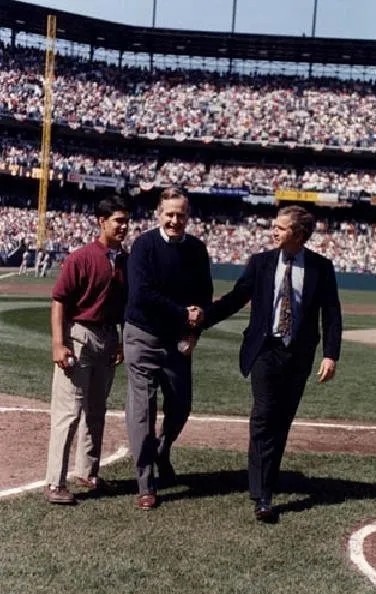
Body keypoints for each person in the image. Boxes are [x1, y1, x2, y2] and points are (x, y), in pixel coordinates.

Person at [192, 205, 342, 522]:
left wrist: (330, 354)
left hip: (298, 355)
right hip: (264, 350)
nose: (273, 231)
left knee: (281, 421)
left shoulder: (320, 267)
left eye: (280, 227)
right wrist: (204, 318)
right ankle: (263, 495)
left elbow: (331, 313)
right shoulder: (261, 263)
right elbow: (236, 298)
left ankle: (266, 480)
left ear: (299, 234)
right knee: (263, 416)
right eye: (273, 226)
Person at [124, 187, 213, 511]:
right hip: (143, 337)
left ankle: (163, 450)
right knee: (142, 412)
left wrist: (195, 332)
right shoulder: (144, 245)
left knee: (181, 406)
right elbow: (141, 294)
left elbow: (204, 297)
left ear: (188, 216)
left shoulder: (196, 250)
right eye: (170, 214)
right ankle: (146, 483)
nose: (175, 220)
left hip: (178, 342)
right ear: (159, 214)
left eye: (181, 215)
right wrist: (182, 314)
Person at [44, 195, 129, 504]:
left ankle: (87, 472)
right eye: (118, 220)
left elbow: (121, 307)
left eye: (125, 221)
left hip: (106, 338)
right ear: (101, 222)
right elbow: (59, 300)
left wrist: (119, 340)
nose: (124, 226)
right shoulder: (81, 257)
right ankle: (55, 483)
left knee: (96, 411)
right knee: (69, 413)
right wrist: (58, 342)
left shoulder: (125, 261)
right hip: (78, 336)